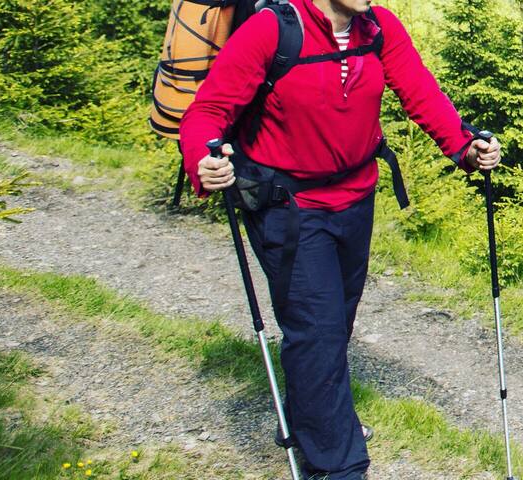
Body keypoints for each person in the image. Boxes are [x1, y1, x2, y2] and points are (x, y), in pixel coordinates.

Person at [176, 0, 501, 476]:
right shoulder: (273, 31)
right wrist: (202, 164)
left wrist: (464, 146)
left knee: (335, 321)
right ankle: (338, 465)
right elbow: (207, 112)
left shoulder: (379, 26)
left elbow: (421, 95)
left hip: (355, 199)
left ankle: (311, 415)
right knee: (317, 330)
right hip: (288, 207)